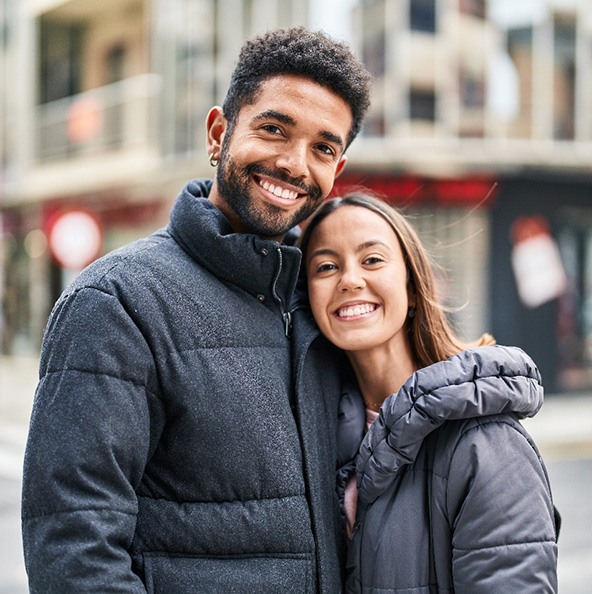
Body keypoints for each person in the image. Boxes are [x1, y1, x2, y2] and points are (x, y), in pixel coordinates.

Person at [21, 27, 371, 593]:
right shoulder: (118, 302)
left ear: (338, 169)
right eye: (273, 129)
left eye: (323, 148)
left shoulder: (320, 303)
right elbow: (74, 548)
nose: (293, 163)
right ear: (218, 133)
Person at [299, 193, 559, 593]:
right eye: (326, 267)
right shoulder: (318, 441)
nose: (349, 279)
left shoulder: (487, 443)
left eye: (372, 260)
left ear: (413, 285)